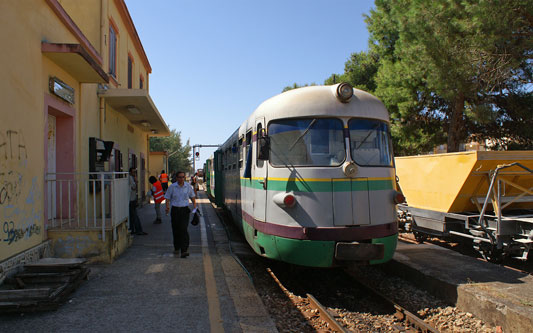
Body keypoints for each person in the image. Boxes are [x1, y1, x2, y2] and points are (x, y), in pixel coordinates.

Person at [165, 171, 196, 258]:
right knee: (176, 229)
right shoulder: (172, 187)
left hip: (184, 210)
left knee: (183, 229)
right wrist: (167, 207)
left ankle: (184, 250)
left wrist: (195, 207)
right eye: (180, 177)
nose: (181, 179)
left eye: (183, 177)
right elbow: (167, 197)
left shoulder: (188, 186)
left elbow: (192, 196)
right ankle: (177, 246)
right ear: (176, 178)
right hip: (175, 210)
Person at [129, 168, 147, 235]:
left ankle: (132, 229)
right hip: (131, 199)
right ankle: (138, 230)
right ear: (130, 172)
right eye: (133, 172)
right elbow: (133, 187)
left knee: (132, 216)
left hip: (132, 199)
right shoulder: (130, 178)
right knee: (135, 216)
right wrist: (136, 181)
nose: (134, 173)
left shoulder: (131, 178)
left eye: (135, 172)